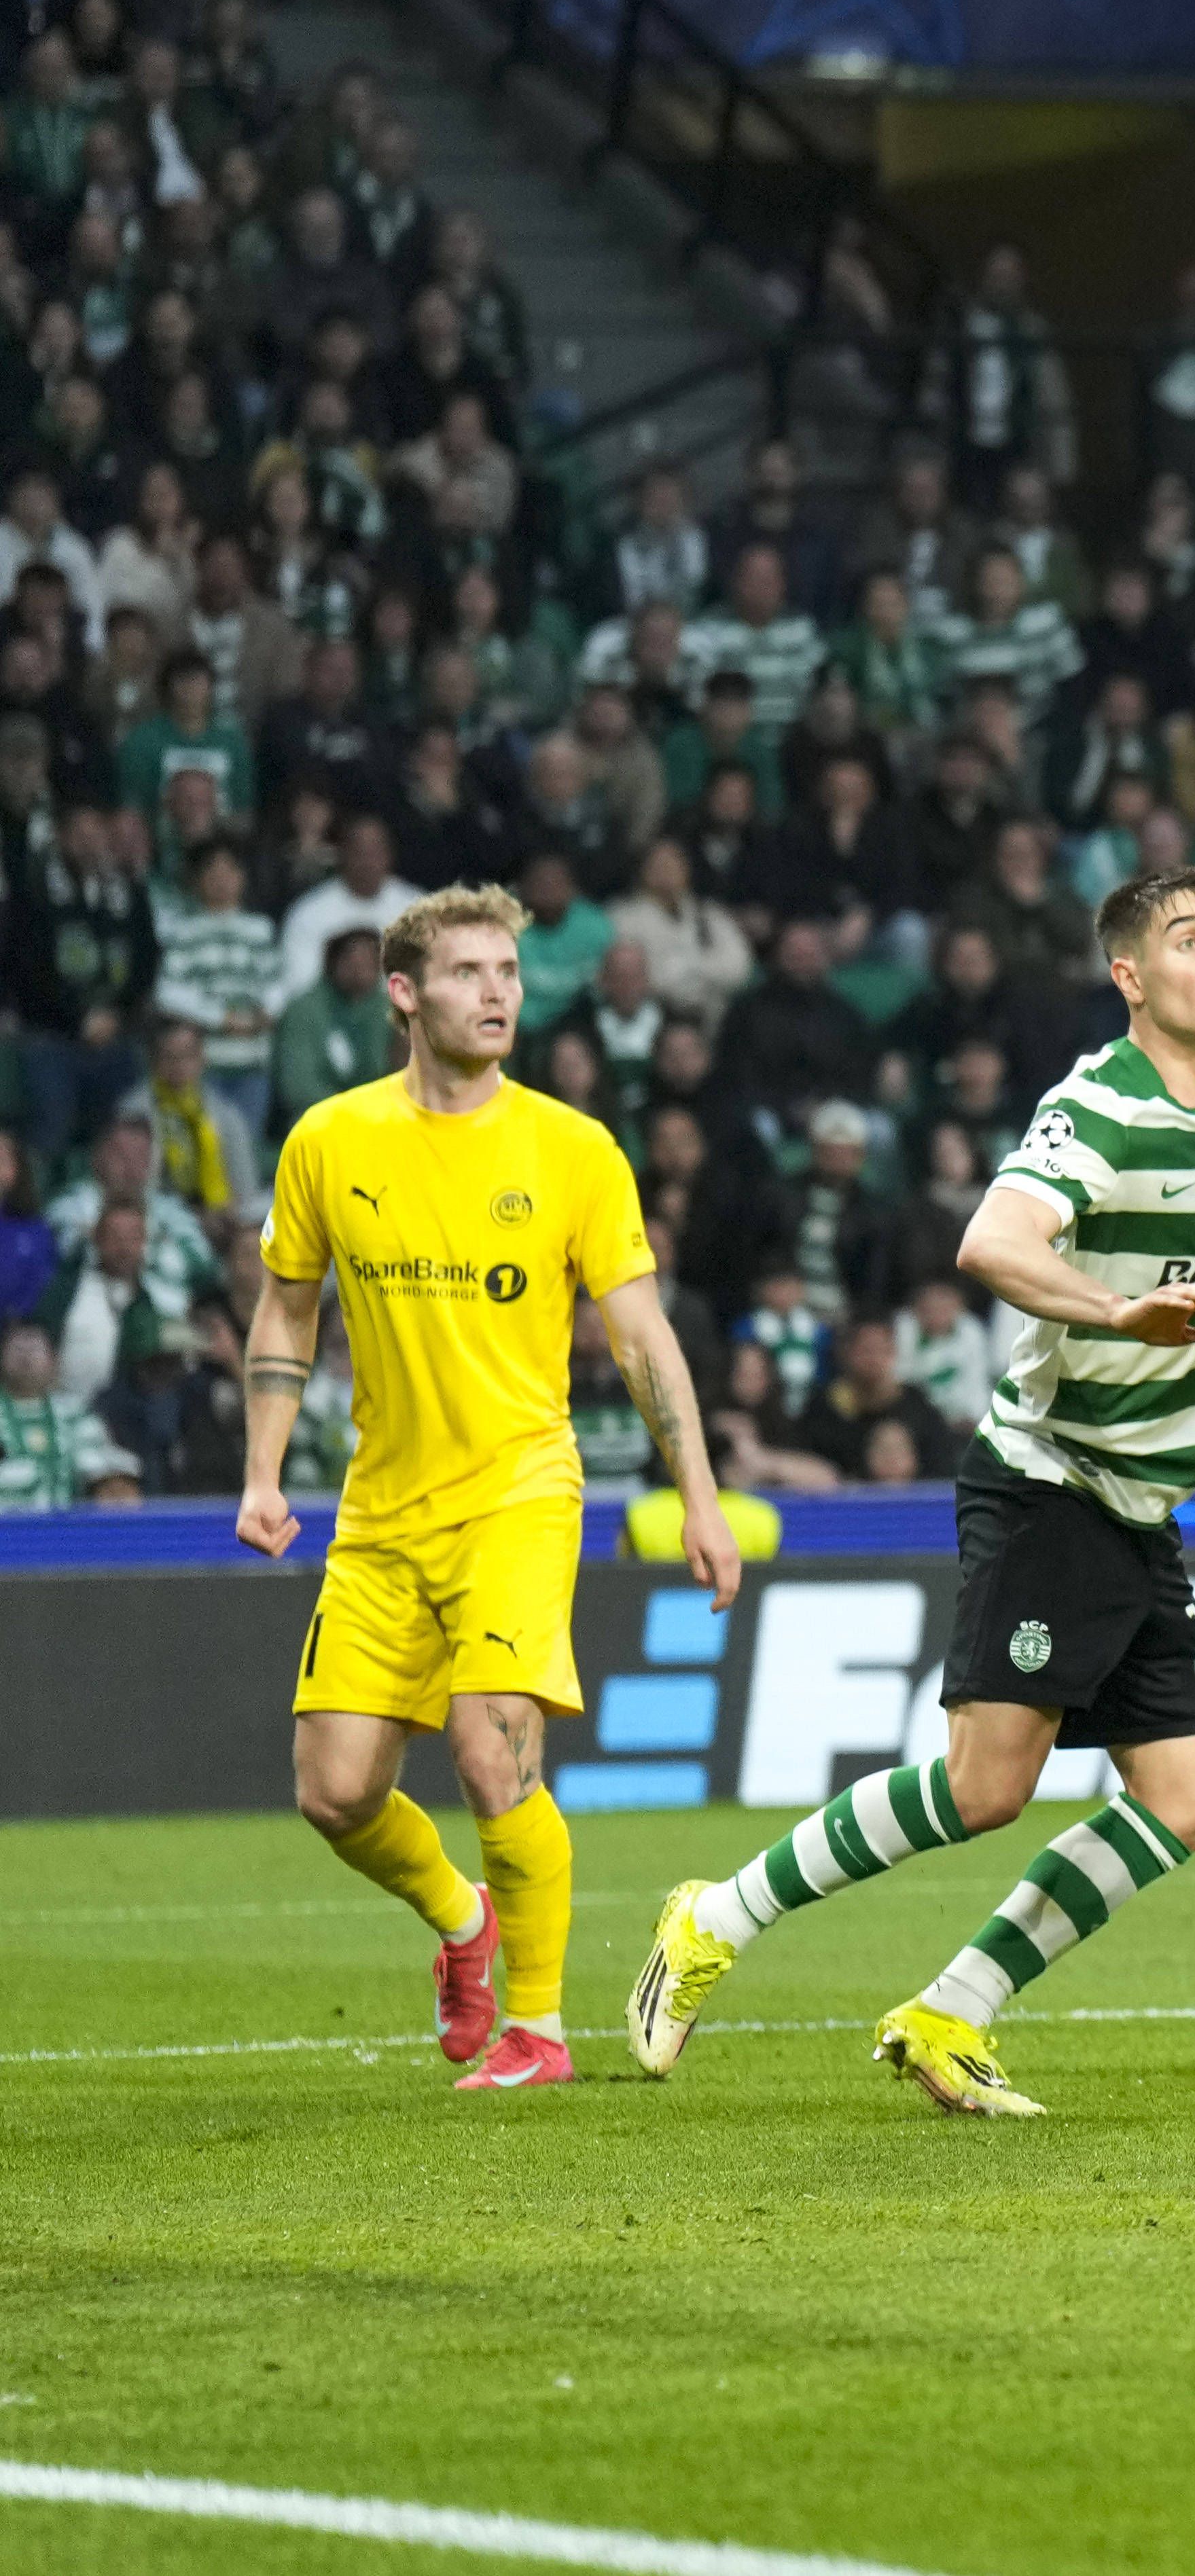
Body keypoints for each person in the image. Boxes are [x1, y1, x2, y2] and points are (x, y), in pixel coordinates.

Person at [626, 865, 1195, 2113]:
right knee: (988, 1788)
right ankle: (714, 1914)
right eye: (1191, 939)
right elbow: (990, 1241)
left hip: (1142, 1504)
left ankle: (951, 2011)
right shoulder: (1098, 1103)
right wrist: (1111, 1309)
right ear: (1130, 977)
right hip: (1050, 1481)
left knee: (1189, 1801)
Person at [240, 884, 733, 2090]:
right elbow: (288, 1303)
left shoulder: (572, 1148)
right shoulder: (330, 1141)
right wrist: (262, 1466)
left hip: (519, 1489)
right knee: (336, 1790)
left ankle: (540, 2029)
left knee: (489, 1746)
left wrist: (702, 1494)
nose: (499, 990)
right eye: (468, 971)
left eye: (508, 970)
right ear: (402, 992)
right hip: (382, 1508)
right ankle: (465, 1920)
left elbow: (641, 1337)